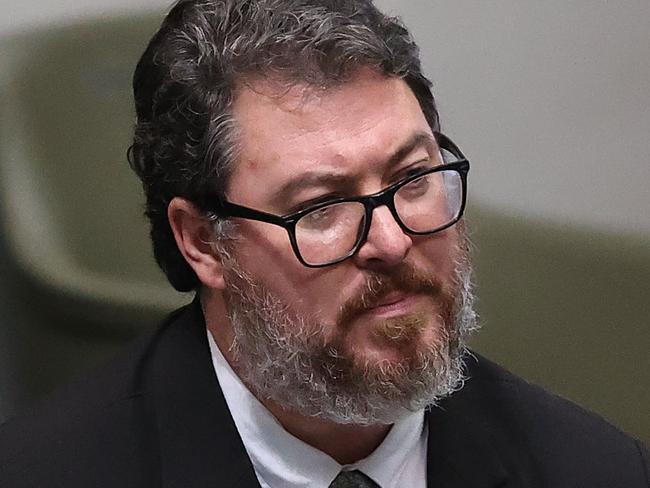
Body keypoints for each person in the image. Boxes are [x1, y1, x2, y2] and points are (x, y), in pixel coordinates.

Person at [0, 1, 648, 486]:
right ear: (203, 241)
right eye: (322, 207)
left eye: (414, 178)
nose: (392, 242)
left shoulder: (592, 469)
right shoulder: (46, 473)